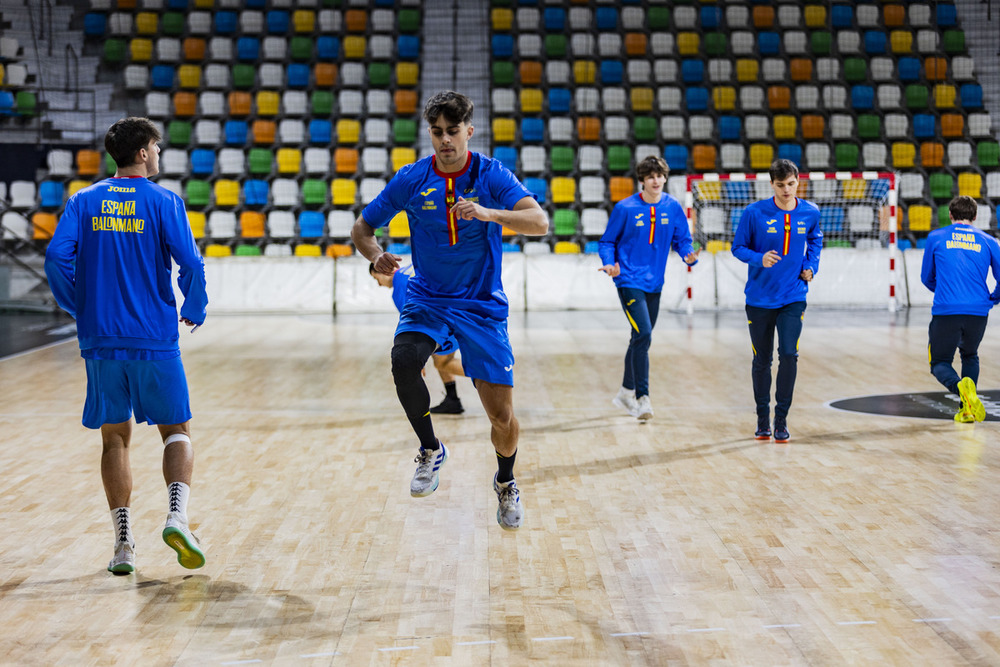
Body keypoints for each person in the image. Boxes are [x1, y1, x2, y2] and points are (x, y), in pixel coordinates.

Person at [352, 91, 548, 530]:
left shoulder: (492, 175)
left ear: (469, 132)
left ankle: (505, 481)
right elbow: (362, 227)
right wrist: (375, 254)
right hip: (428, 297)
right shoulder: (411, 178)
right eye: (437, 132)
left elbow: (540, 223)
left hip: (480, 306)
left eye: (453, 132)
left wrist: (488, 213)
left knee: (501, 417)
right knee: (403, 360)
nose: (445, 141)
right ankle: (430, 448)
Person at [44, 117, 208, 574]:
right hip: (153, 337)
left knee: (115, 438)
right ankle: (177, 516)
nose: (158, 154)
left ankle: (123, 544)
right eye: (156, 146)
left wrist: (79, 306)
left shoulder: (83, 200)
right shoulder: (164, 201)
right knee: (176, 430)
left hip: (100, 340)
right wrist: (195, 306)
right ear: (142, 152)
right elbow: (190, 262)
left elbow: (57, 257)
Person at [598, 155, 699, 421]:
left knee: (639, 338)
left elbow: (682, 240)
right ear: (642, 180)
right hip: (628, 280)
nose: (655, 180)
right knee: (644, 333)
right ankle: (643, 398)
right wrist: (610, 264)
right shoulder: (625, 208)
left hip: (655, 282)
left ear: (665, 177)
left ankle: (624, 392)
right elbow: (607, 242)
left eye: (659, 175)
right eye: (650, 176)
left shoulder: (673, 207)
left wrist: (688, 254)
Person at [732, 159, 822, 443]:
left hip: (793, 297)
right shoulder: (754, 212)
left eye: (791, 184)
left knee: (789, 355)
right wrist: (759, 258)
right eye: (781, 185)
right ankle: (762, 418)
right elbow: (737, 247)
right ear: (771, 184)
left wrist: (811, 266)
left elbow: (816, 240)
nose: (786, 190)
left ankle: (781, 418)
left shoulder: (810, 212)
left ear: (799, 181)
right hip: (759, 298)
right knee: (762, 359)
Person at [920, 195, 1000, 423]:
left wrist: (946, 290)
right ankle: (966, 410)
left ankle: (960, 389)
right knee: (970, 354)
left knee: (939, 363)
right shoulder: (989, 241)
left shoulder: (936, 237)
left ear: (950, 215)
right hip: (978, 312)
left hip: (947, 311)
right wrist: (992, 298)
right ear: (975, 216)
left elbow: (927, 277)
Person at [369, 262, 466, 414]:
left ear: (383, 271)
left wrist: (416, 356)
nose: (379, 285)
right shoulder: (408, 269)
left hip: (442, 318)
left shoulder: (398, 288)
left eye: (376, 279)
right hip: (451, 307)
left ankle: (489, 373)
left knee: (443, 363)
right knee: (439, 358)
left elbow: (412, 323)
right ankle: (452, 399)